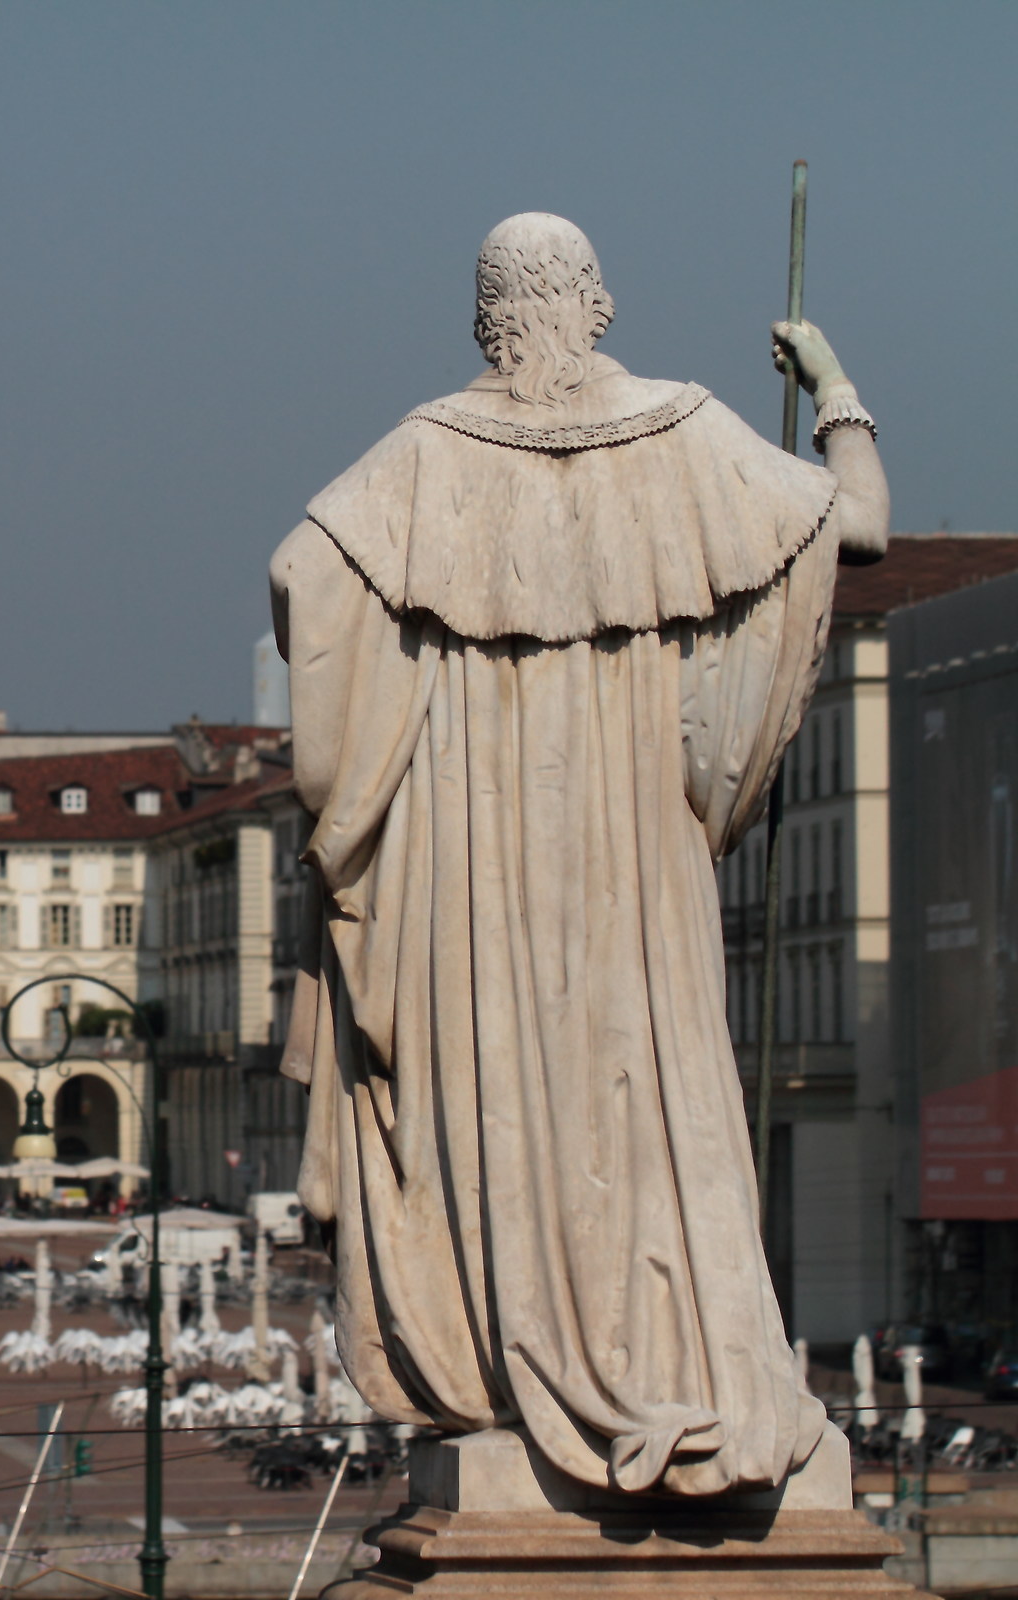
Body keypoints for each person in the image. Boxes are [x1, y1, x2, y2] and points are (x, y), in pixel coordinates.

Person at [273, 213, 886, 1497]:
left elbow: (302, 570)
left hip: (479, 861)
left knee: (504, 1100)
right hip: (638, 861)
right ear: (596, 305)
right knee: (655, 1087)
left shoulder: (426, 452)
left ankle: (521, 1360)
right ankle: (692, 1363)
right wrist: (831, 388)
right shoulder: (689, 430)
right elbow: (854, 528)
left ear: (485, 319)